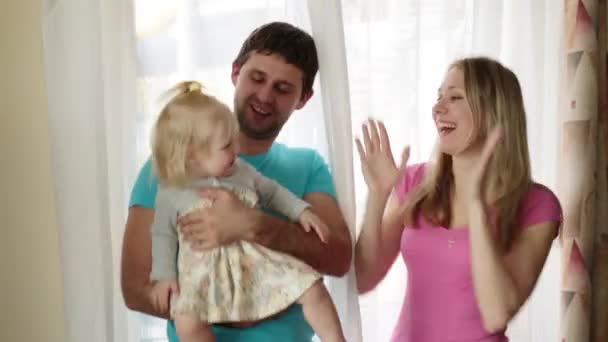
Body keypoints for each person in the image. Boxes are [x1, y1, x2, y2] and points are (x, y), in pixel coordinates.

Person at [121, 22, 352, 342]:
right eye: (257, 78)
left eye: (283, 89)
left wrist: (253, 224)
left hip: (270, 286)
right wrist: (230, 308)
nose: (265, 96)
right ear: (235, 73)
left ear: (303, 99)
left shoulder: (307, 165)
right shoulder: (167, 170)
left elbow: (339, 258)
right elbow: (135, 288)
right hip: (204, 299)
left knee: (312, 289)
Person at [354, 57, 562, 341]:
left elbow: (496, 313)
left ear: (493, 110)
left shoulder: (538, 205)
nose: (437, 108)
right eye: (439, 98)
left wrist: (476, 207)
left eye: (454, 97)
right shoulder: (415, 183)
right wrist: (377, 199)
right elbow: (362, 279)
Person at [149, 80, 346, 342]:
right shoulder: (172, 189)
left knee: (312, 287)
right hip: (203, 273)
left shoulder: (241, 171)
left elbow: (273, 192)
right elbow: (163, 234)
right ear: (192, 155)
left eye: (234, 140)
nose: (237, 149)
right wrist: (164, 276)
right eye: (226, 146)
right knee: (186, 321)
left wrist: (301, 212)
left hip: (253, 263)